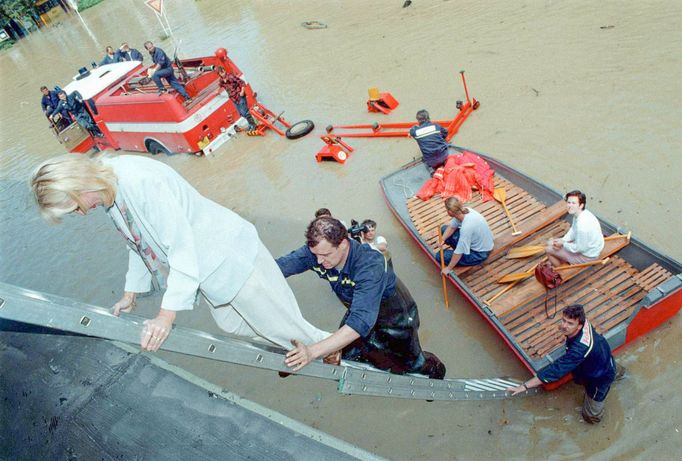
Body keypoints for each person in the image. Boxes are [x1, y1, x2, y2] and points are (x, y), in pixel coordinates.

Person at [30, 154, 330, 354]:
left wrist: (165, 317)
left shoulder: (140, 181)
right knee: (240, 326)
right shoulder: (110, 191)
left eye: (74, 208)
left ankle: (330, 350)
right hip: (210, 270)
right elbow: (136, 241)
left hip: (229, 256)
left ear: (80, 186)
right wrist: (130, 293)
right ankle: (310, 348)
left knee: (280, 324)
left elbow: (181, 246)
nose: (81, 214)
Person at [276, 217, 446, 379]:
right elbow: (276, 268)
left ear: (343, 244)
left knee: (408, 364)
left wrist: (312, 352)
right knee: (351, 354)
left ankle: (434, 368)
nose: (319, 261)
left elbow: (360, 322)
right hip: (360, 306)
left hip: (395, 316)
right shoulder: (317, 253)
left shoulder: (370, 265)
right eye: (315, 254)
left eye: (326, 255)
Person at [508, 304, 625, 424]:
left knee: (590, 415)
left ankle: (595, 422)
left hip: (599, 378)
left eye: (570, 323)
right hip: (604, 357)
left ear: (579, 325)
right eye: (563, 320)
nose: (564, 326)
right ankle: (621, 374)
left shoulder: (579, 349)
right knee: (614, 371)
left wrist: (525, 386)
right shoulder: (585, 323)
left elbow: (555, 370)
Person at [545, 190, 604, 267]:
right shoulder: (581, 214)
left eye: (573, 203)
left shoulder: (582, 226)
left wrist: (563, 244)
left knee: (548, 249)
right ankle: (558, 258)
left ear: (581, 205)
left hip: (588, 256)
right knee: (551, 242)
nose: (570, 206)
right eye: (569, 202)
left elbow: (578, 248)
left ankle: (561, 269)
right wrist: (563, 240)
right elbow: (573, 230)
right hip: (591, 247)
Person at [437, 197, 494, 273]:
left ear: (450, 212)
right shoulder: (465, 210)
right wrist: (442, 240)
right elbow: (452, 227)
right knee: (444, 229)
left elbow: (459, 251)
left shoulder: (466, 227)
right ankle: (458, 253)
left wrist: (448, 269)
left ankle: (462, 257)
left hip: (479, 253)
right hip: (478, 243)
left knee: (439, 256)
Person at [216, 66, 256, 131]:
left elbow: (242, 82)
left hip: (239, 96)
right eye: (221, 72)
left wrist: (242, 91)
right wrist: (217, 91)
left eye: (223, 71)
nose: (223, 73)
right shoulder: (221, 80)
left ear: (224, 70)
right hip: (234, 99)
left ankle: (253, 125)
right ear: (219, 74)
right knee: (241, 113)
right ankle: (250, 123)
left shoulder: (230, 77)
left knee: (245, 112)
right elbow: (220, 85)